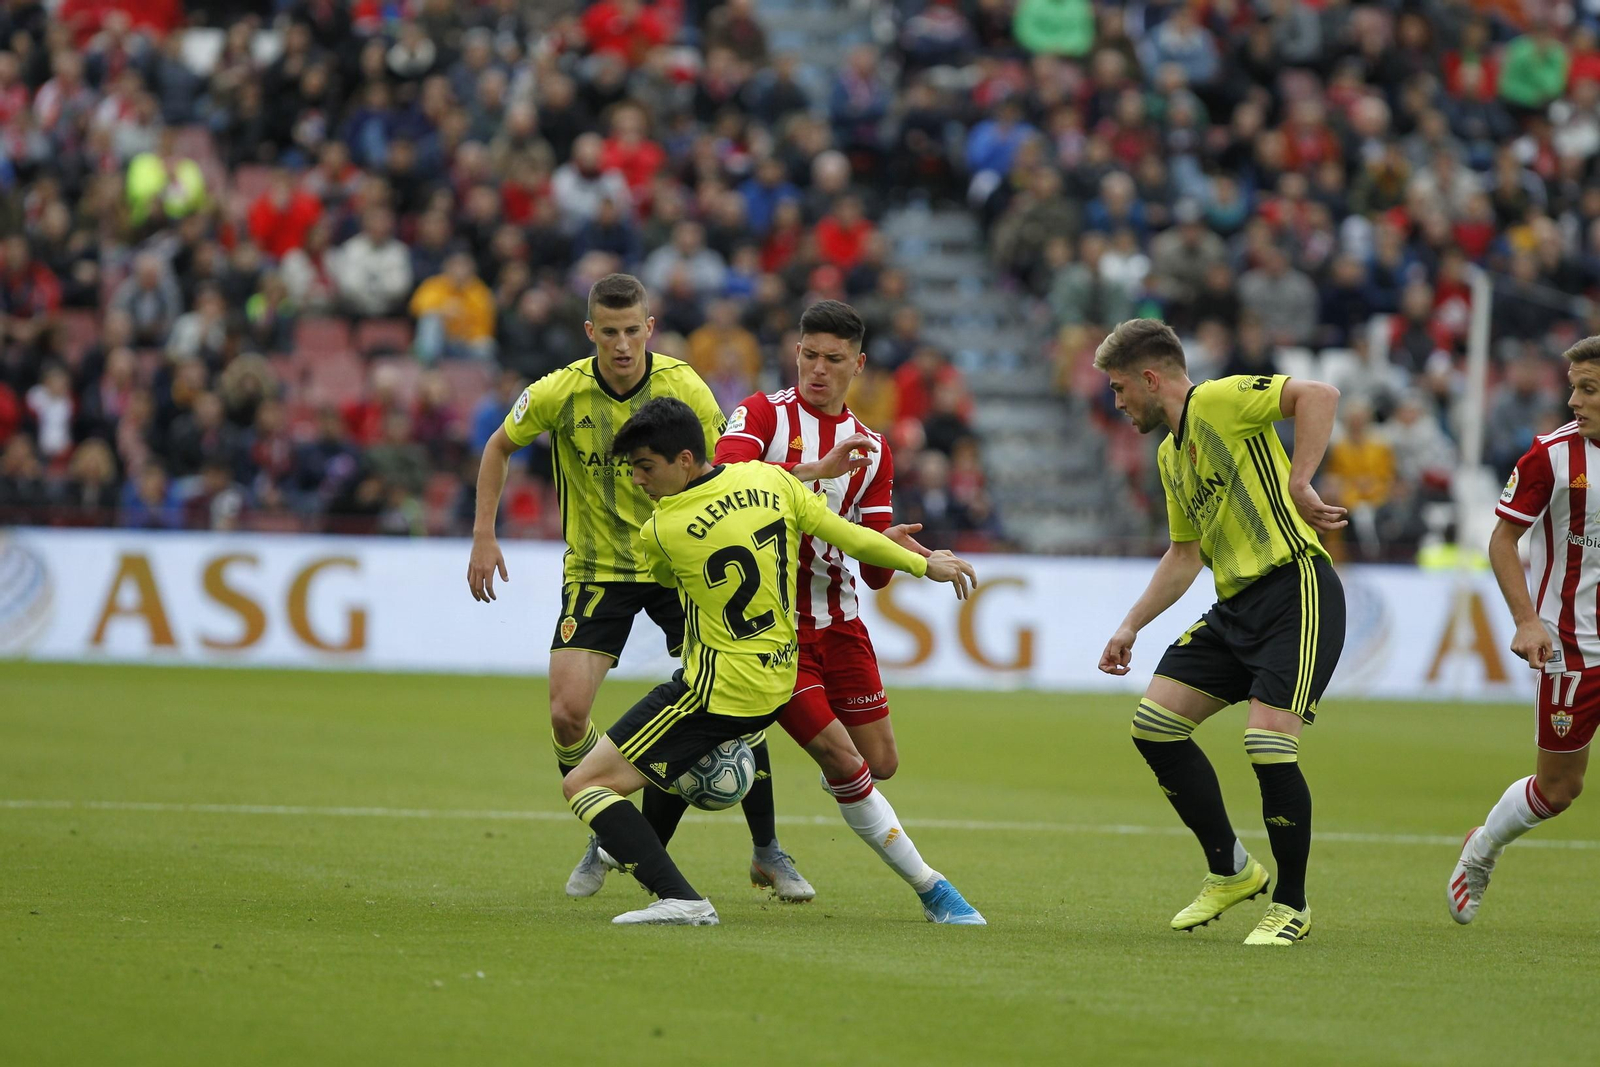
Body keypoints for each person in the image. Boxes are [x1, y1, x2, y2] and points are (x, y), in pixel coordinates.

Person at [562, 395, 978, 925]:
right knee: (665, 763)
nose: (639, 481)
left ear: (685, 459)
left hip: (716, 689)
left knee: (585, 783)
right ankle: (758, 853)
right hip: (779, 677)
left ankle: (678, 895)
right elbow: (853, 538)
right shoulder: (773, 483)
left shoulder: (660, 531)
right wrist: (925, 565)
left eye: (645, 467)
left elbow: (667, 578)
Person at [466, 273, 811, 901]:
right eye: (610, 332)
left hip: (679, 564)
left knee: (735, 711)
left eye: (633, 331)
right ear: (590, 331)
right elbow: (498, 445)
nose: (622, 345)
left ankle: (767, 849)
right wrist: (484, 535)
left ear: (649, 328)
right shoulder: (559, 391)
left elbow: (723, 467)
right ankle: (604, 832)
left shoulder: (684, 386)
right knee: (568, 713)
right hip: (599, 570)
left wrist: (797, 479)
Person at [1094, 319, 1347, 946]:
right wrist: (1130, 625)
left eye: (1121, 388)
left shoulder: (1219, 400)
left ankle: (1291, 904)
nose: (1117, 402)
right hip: (1235, 607)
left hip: (1296, 588)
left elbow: (1319, 395)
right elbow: (1184, 555)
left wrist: (1299, 480)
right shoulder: (1169, 454)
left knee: (1267, 746)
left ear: (1152, 379)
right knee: (1154, 725)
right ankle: (1231, 869)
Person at [1450, 336, 1600, 924]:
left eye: (1588, 389)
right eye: (1573, 387)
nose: (1573, 400)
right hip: (1570, 647)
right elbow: (1503, 539)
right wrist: (1527, 620)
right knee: (1559, 790)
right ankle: (1483, 848)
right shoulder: (1550, 457)